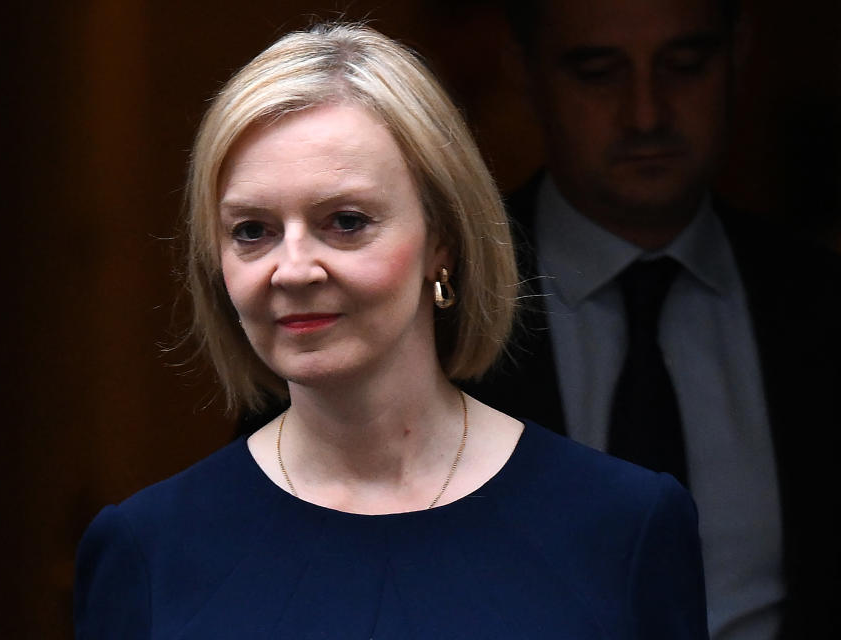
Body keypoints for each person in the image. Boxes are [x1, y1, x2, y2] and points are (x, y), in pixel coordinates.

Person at [73, 22, 708, 638]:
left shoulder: (623, 526)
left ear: (444, 242)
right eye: (252, 231)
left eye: (346, 221)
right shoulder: (146, 549)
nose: (291, 269)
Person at [464, 1, 841, 638]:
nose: (647, 115)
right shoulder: (424, 310)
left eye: (685, 66)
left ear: (738, 50)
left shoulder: (820, 304)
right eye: (597, 72)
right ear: (523, 70)